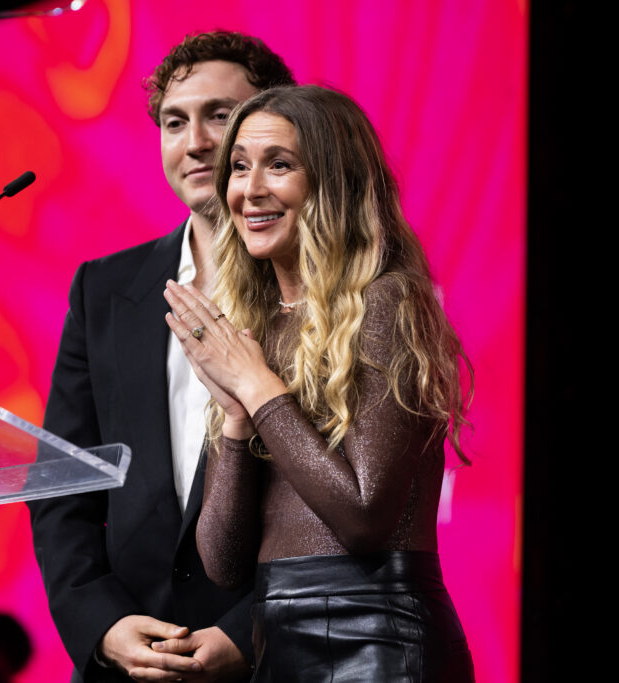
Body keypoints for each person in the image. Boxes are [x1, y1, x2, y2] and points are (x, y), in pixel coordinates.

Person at [163, 85, 475, 681]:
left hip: (377, 638)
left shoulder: (387, 302)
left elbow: (363, 518)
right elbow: (224, 565)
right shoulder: (255, 332)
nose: (249, 190)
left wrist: (258, 389)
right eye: (238, 167)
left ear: (334, 184)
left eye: (279, 165)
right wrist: (234, 415)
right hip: (276, 641)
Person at [27, 32, 295, 683]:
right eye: (175, 122)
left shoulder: (320, 291)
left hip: (272, 662)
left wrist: (248, 633)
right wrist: (103, 623)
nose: (195, 142)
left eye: (220, 116)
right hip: (127, 663)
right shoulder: (104, 289)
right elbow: (63, 486)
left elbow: (344, 508)